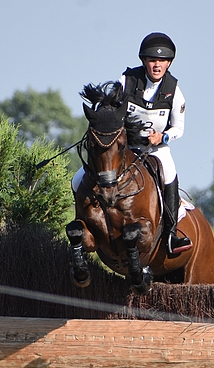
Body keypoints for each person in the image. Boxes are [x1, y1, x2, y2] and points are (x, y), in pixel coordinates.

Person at [74, 32, 192, 254]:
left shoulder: (175, 93)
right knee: (77, 179)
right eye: (152, 60)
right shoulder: (126, 81)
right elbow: (108, 108)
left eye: (162, 61)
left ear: (169, 63)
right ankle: (83, 227)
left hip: (155, 150)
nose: (157, 65)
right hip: (124, 148)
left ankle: (171, 235)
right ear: (144, 61)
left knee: (169, 173)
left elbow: (179, 129)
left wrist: (163, 136)